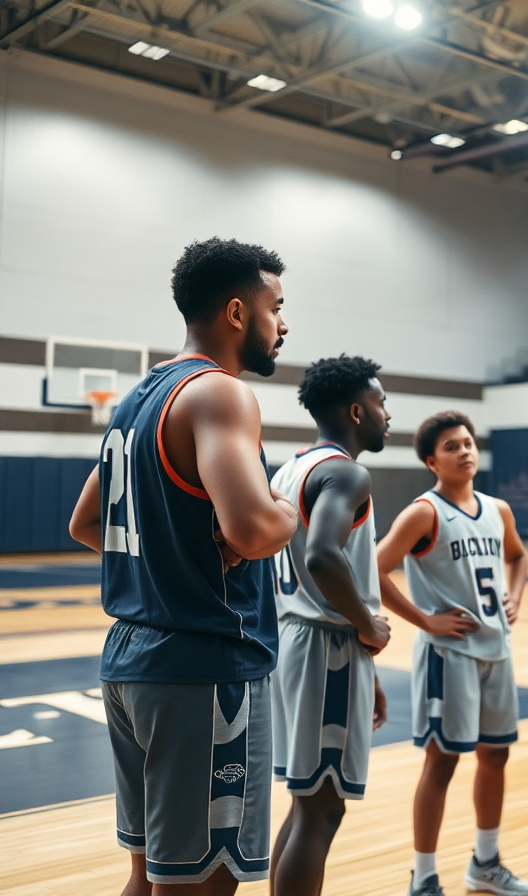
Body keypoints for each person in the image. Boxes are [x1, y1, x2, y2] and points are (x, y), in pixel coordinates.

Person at [68, 238, 298, 894]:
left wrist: (180, 555)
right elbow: (254, 529)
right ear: (235, 312)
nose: (284, 323)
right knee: (200, 885)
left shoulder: (139, 399)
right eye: (275, 307)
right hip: (205, 673)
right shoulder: (221, 395)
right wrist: (290, 509)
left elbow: (87, 523)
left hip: (129, 663)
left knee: (150, 879)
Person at [374, 412, 528, 896]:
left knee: (495, 756)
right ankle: (423, 875)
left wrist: (516, 595)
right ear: (431, 461)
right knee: (441, 763)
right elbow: (373, 568)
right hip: (449, 657)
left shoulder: (498, 509)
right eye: (452, 446)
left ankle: (485, 863)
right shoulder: (424, 512)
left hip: (496, 652)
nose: (465, 450)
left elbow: (518, 557)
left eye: (468, 443)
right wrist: (424, 620)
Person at [267, 355, 395, 896]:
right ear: (355, 410)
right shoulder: (346, 471)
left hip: (294, 644)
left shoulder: (289, 469)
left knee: (307, 805)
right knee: (322, 812)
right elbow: (322, 557)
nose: (387, 412)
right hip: (327, 646)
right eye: (380, 401)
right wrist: (367, 625)